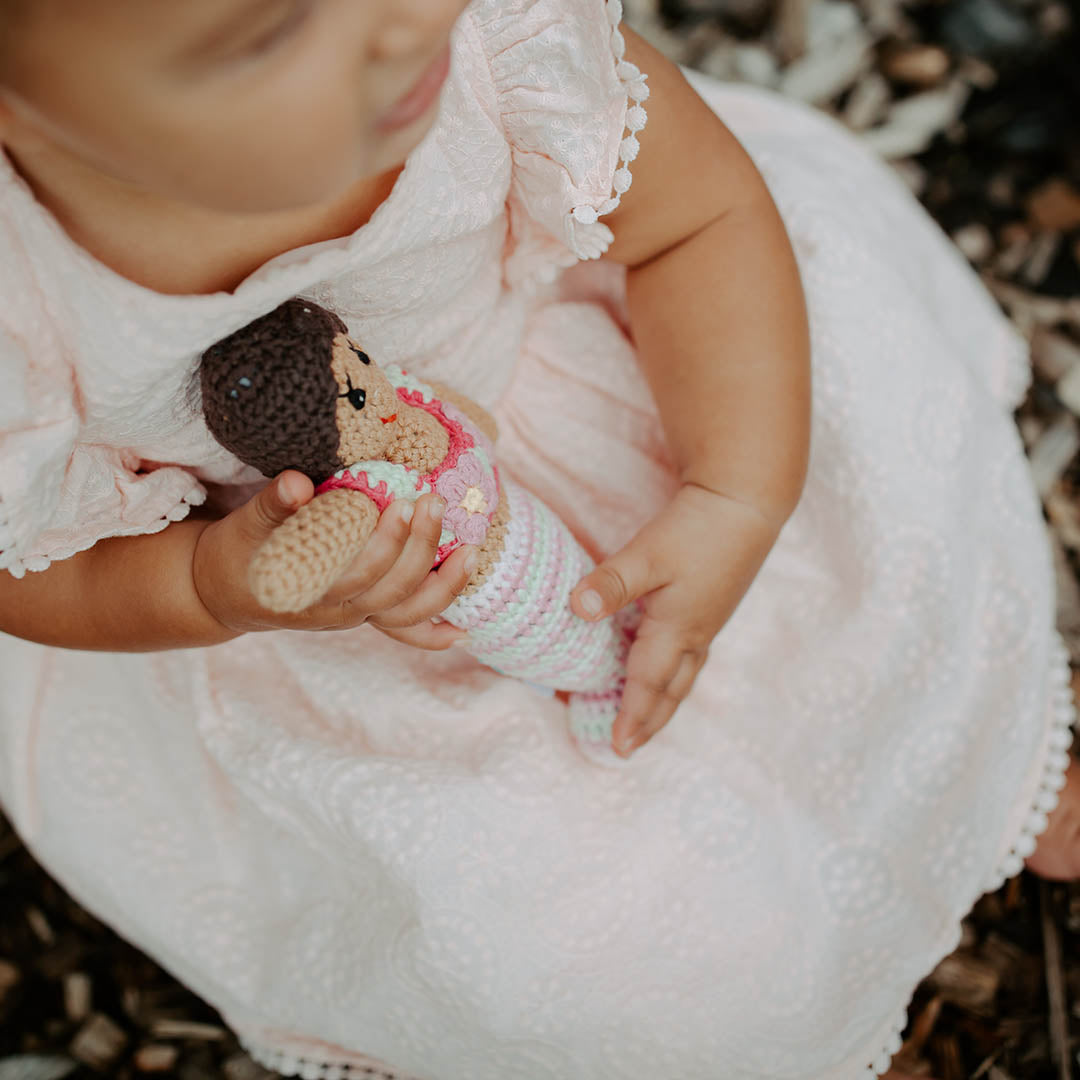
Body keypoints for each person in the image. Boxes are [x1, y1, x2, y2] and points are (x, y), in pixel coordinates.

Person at [0, 1, 1074, 1077]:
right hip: (295, 616)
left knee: (872, 560)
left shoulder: (488, 44)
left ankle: (980, 751)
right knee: (570, 932)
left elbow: (698, 219)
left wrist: (733, 494)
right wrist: (204, 586)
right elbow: (29, 572)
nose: (403, 20)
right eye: (271, 34)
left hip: (642, 382)